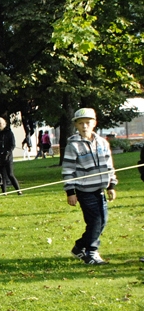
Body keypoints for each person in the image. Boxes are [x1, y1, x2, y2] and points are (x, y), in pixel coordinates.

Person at [63, 108, 117, 265]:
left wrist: (111, 185)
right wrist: (70, 191)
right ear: (76, 125)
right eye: (81, 123)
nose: (84, 126)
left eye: (88, 122)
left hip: (100, 188)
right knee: (95, 221)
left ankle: (79, 246)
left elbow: (109, 165)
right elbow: (68, 170)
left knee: (103, 221)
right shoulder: (73, 145)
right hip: (84, 190)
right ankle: (91, 252)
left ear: (94, 123)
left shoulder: (102, 143)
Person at [0, 117, 21, 195]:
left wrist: (7, 152)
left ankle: (18, 190)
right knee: (2, 175)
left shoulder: (9, 133)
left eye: (0, 124)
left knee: (10, 174)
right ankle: (4, 192)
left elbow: (12, 145)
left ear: (4, 124)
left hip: (7, 157)